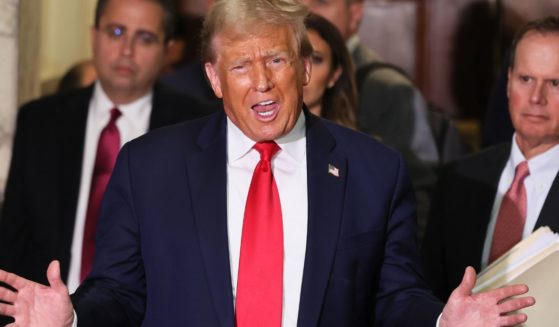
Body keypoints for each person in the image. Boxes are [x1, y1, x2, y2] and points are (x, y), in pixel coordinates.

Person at [0, 0, 534, 326]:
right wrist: (72, 319)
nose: (261, 81)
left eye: (276, 59)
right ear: (213, 78)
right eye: (240, 65)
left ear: (304, 68)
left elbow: (393, 297)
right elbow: (119, 291)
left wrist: (442, 320)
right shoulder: (150, 167)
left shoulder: (373, 171)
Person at [0, 0, 215, 308]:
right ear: (93, 36)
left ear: (167, 49)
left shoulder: (196, 125)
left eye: (144, 38)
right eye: (116, 32)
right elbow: (14, 243)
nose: (126, 50)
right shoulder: (41, 122)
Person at [422, 16, 559, 302]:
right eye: (526, 79)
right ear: (509, 83)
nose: (536, 97)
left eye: (555, 83)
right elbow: (429, 292)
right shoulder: (458, 179)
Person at [302, 0, 442, 244]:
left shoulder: (387, 89)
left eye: (320, 3)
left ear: (354, 13)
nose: (304, 10)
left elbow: (416, 195)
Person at [303, 13, 358, 130]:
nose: (303, 71)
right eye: (294, 57)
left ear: (334, 74)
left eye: (316, 59)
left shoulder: (356, 146)